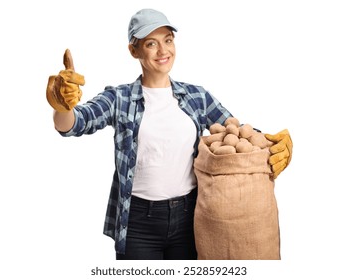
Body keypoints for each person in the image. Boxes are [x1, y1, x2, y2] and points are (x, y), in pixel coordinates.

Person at [46, 8, 293, 260]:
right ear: (134, 50)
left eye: (168, 40)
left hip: (191, 216)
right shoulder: (119, 98)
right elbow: (73, 124)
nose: (163, 51)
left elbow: (237, 134)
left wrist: (271, 142)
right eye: (151, 43)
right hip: (138, 222)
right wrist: (61, 106)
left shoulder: (197, 96)